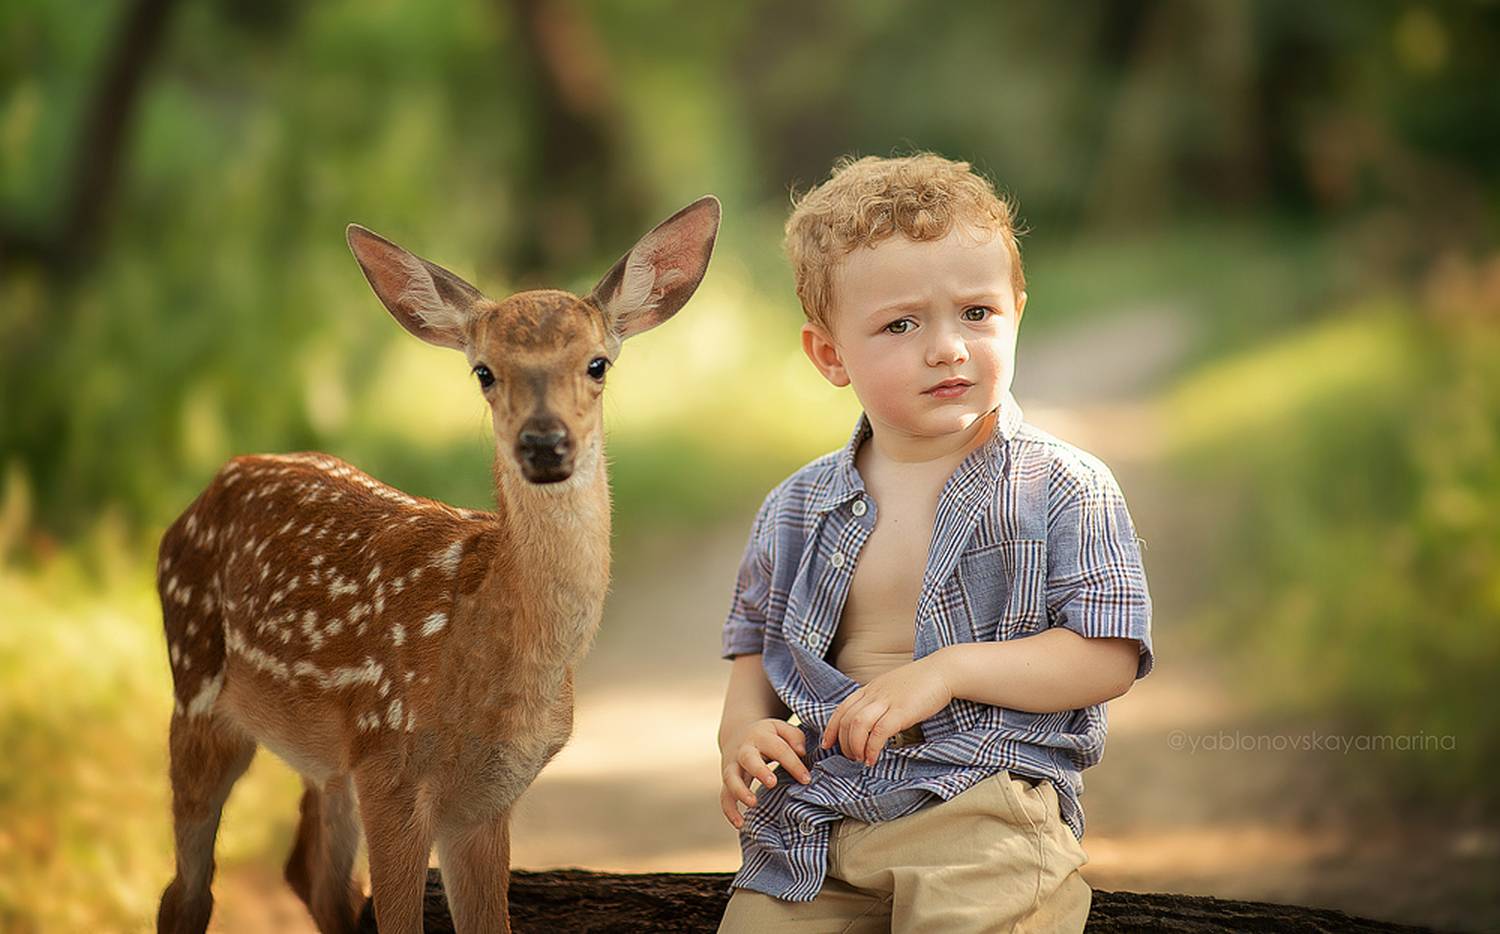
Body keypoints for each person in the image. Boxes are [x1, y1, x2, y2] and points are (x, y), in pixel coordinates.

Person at [715, 152, 1155, 933]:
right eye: (901, 324)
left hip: (981, 807)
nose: (947, 346)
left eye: (977, 314)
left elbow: (1108, 657)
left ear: (1017, 309)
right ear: (829, 355)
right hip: (813, 819)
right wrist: (742, 732)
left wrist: (947, 673)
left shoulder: (1062, 486)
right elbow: (756, 646)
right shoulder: (795, 507)